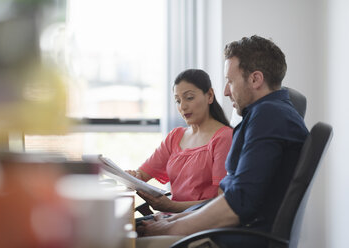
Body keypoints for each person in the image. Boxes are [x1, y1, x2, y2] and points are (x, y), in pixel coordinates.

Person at [136, 35, 309, 248]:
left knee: (126, 240)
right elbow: (232, 199)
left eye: (230, 81)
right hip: (235, 230)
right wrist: (174, 219)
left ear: (255, 79)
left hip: (239, 236)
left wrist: (170, 227)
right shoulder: (269, 114)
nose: (226, 91)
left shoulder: (269, 117)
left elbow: (237, 204)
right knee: (133, 228)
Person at [127, 69, 233, 213]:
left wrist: (171, 206)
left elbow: (222, 203)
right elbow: (142, 175)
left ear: (209, 96)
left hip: (197, 224)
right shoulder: (175, 136)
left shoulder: (224, 138)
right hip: (169, 219)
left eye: (189, 98)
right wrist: (133, 177)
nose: (182, 106)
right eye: (178, 100)